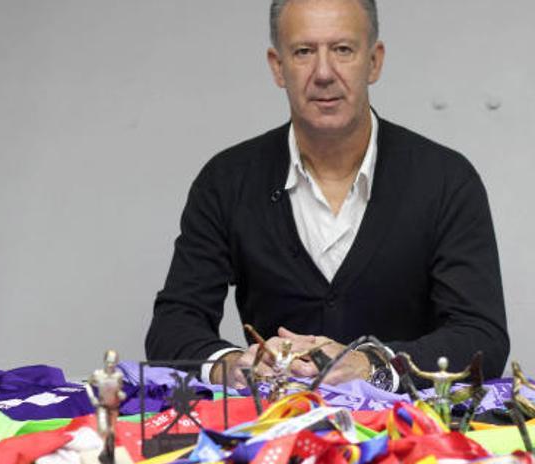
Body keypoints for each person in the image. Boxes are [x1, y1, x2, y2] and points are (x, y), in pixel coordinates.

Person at [145, 0, 508, 392]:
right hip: (270, 435)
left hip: (411, 441)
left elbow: (482, 338)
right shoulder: (226, 180)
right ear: (277, 66)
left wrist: (374, 365)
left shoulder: (446, 180)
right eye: (303, 51)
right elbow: (173, 325)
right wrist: (231, 366)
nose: (323, 73)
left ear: (374, 61)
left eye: (342, 50)